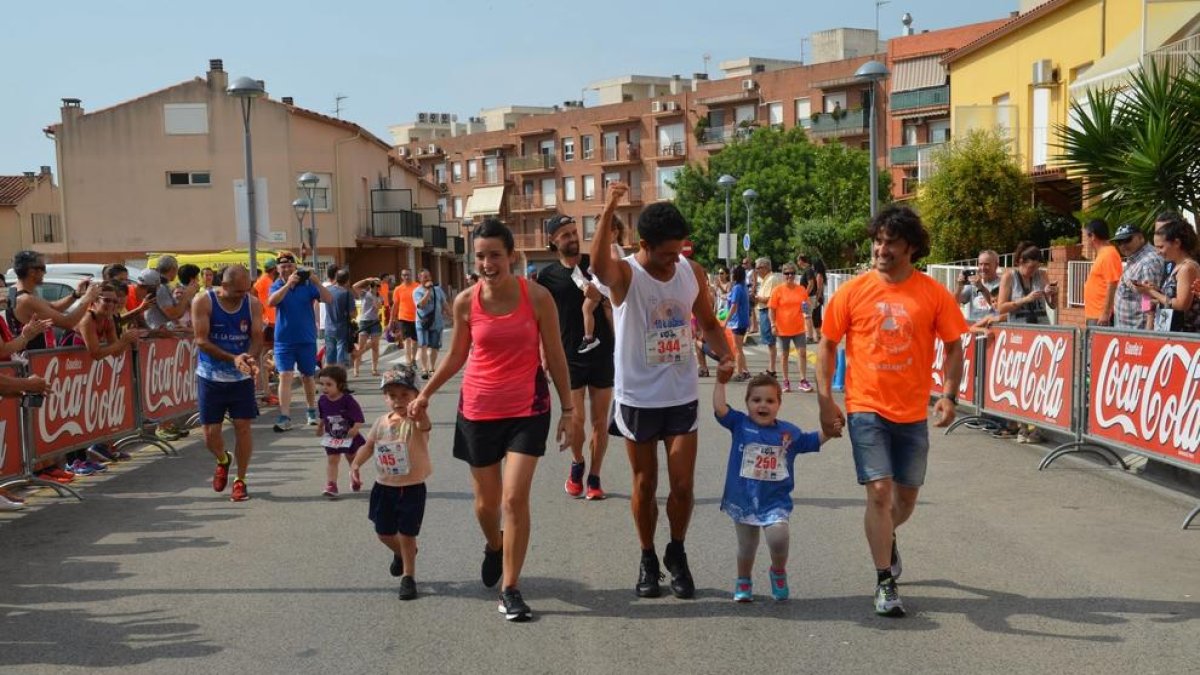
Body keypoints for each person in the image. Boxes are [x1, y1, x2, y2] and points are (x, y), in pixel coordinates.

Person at [408, 218, 576, 622]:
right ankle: (494, 545)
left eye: (495, 255)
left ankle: (511, 587)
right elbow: (456, 356)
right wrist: (425, 393)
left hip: (528, 410)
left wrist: (570, 410)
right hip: (478, 411)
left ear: (511, 257)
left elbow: (555, 354)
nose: (487, 263)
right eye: (480, 256)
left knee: (513, 498)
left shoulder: (536, 297)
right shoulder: (466, 302)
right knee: (486, 506)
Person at [816, 205, 967, 618]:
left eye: (891, 243)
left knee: (906, 500)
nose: (881, 249)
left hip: (912, 411)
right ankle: (885, 580)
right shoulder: (853, 291)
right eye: (878, 241)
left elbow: (955, 346)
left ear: (912, 247)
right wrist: (825, 398)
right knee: (879, 493)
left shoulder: (932, 293)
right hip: (865, 405)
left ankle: (886, 537)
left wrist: (949, 394)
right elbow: (827, 346)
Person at [590, 182, 733, 600]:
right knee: (644, 483)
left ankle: (677, 550)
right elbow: (599, 266)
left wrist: (725, 356)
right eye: (667, 253)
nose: (675, 261)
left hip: (680, 392)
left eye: (680, 251)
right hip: (637, 396)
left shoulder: (692, 272)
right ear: (644, 245)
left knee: (683, 485)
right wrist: (608, 208)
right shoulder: (625, 276)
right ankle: (648, 555)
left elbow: (707, 322)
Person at [715, 371, 827, 602]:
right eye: (756, 400)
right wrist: (720, 380)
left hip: (775, 501)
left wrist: (830, 431)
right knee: (747, 546)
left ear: (779, 404)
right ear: (746, 403)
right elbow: (720, 408)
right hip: (744, 499)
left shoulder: (788, 433)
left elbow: (810, 441)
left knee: (778, 538)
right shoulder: (739, 424)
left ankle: (778, 571)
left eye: (769, 400)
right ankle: (743, 580)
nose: (762, 405)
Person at [538, 213, 617, 500]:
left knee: (599, 421)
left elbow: (616, 302)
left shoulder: (595, 266)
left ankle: (594, 476)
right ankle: (578, 462)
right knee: (576, 420)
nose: (572, 238)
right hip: (567, 357)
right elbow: (541, 320)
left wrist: (602, 294)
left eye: (574, 232)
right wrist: (543, 353)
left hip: (602, 354)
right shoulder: (547, 277)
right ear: (553, 240)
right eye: (565, 234)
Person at [350, 365, 432, 601]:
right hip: (384, 486)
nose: (398, 401)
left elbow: (424, 426)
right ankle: (402, 553)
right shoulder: (381, 422)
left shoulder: (416, 421)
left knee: (407, 533)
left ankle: (409, 577)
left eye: (405, 395)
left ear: (416, 396)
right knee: (384, 532)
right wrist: (356, 465)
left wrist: (421, 411)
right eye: (392, 396)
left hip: (412, 486)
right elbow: (369, 446)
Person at [192, 265, 264, 503]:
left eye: (246, 290)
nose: (243, 295)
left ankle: (240, 480)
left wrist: (250, 358)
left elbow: (256, 338)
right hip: (211, 376)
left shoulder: (252, 303)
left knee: (243, 427)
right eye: (238, 291)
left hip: (240, 379)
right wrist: (233, 358)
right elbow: (201, 341)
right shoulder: (204, 301)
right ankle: (223, 459)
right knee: (210, 436)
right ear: (224, 286)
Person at [995, 243, 1058, 443]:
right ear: (1020, 262)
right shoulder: (1009, 276)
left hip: (1040, 331)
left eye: (1036, 268)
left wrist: (1051, 293)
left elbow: (1053, 305)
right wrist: (1025, 299)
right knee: (1021, 381)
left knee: (1040, 380)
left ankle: (1038, 427)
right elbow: (1001, 308)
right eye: (1030, 268)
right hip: (1019, 333)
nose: (1033, 272)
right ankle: (1022, 426)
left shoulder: (1041, 275)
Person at [269, 252, 333, 432]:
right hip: (283, 341)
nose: (287, 269)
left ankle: (312, 411)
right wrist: (288, 285)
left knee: (307, 376)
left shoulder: (307, 285)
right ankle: (285, 416)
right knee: (285, 375)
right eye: (283, 266)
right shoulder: (277, 285)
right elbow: (272, 302)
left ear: (295, 267)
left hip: (306, 339)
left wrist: (317, 282)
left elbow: (329, 299)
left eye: (290, 266)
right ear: (278, 269)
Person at [8, 250, 100, 350]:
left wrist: (75, 295)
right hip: (32, 359)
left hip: (35, 358)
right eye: (43, 268)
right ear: (32, 272)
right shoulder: (26, 300)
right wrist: (87, 299)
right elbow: (68, 323)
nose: (45, 272)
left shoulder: (15, 290)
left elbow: (53, 307)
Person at [1135, 219, 1200, 333]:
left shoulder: (1187, 268)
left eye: (1161, 247)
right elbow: (1174, 295)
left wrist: (1151, 292)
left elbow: (1181, 304)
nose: (1158, 252)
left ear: (1177, 243)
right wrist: (1156, 291)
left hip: (1186, 335)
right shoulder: (1178, 266)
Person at [575, 216, 625, 354]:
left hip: (601, 286)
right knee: (609, 314)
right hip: (605, 287)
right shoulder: (613, 247)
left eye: (603, 232)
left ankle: (589, 338)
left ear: (614, 233)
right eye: (597, 232)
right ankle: (618, 339)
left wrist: (598, 267)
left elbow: (615, 262)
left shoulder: (611, 247)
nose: (599, 236)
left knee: (586, 309)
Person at [315, 364, 366, 498]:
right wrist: (320, 427)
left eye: (329, 384)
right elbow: (322, 416)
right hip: (332, 435)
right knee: (332, 459)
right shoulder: (322, 400)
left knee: (351, 459)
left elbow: (359, 418)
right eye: (322, 384)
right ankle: (331, 484)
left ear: (340, 385)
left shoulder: (348, 400)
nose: (324, 387)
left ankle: (355, 476)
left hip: (349, 435)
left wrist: (355, 429)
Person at [768, 263, 813, 393]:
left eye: (792, 273)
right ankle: (786, 381)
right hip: (782, 329)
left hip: (798, 328)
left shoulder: (801, 290)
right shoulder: (778, 290)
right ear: (783, 275)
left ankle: (803, 380)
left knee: (802, 354)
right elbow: (772, 309)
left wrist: (807, 316)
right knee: (784, 356)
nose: (790, 276)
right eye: (787, 273)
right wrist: (773, 324)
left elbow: (806, 307)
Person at [1111, 223, 1164, 331]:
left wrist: (1146, 333)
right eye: (1119, 242)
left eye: (1127, 240)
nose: (1123, 245)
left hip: (1137, 331)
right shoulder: (1136, 257)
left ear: (1140, 237)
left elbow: (1148, 297)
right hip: (1128, 329)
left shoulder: (1147, 262)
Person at [1082, 220, 1121, 327]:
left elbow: (1112, 284)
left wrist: (1105, 313)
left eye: (1087, 236)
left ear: (1093, 236)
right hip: (1095, 314)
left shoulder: (1109, 254)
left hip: (1100, 316)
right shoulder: (1104, 253)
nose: (1086, 241)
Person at [146, 255, 199, 332]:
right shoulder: (161, 287)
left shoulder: (163, 286)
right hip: (158, 333)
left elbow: (178, 314)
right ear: (173, 269)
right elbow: (173, 314)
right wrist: (187, 295)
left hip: (162, 331)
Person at [413, 269, 449, 379]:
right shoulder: (417, 291)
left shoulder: (438, 290)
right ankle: (424, 369)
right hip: (422, 323)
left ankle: (432, 368)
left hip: (437, 322)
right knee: (423, 345)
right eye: (424, 277)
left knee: (434, 346)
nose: (427, 278)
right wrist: (428, 291)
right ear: (419, 279)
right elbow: (421, 305)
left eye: (428, 276)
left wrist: (453, 316)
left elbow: (444, 304)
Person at [254, 258, 280, 403]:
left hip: (271, 323)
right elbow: (256, 298)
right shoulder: (265, 281)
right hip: (269, 324)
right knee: (265, 359)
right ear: (274, 269)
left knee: (266, 358)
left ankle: (266, 391)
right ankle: (265, 392)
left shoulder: (265, 281)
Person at [752, 258, 783, 377]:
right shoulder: (766, 279)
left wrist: (756, 298)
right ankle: (771, 368)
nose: (756, 270)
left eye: (758, 268)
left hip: (767, 311)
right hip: (764, 310)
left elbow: (770, 299)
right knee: (770, 343)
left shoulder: (771, 279)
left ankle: (772, 369)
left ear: (765, 267)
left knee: (771, 342)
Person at [352, 279, 385, 377]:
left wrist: (376, 299)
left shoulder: (380, 297)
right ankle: (356, 369)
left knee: (375, 346)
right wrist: (367, 280)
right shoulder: (364, 294)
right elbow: (354, 286)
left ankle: (374, 369)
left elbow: (378, 307)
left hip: (375, 322)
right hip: (364, 322)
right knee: (361, 345)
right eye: (375, 285)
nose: (377, 287)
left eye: (378, 285)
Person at [389, 269, 420, 366]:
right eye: (404, 275)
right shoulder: (398, 289)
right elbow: (395, 305)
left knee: (415, 340)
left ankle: (413, 358)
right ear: (401, 277)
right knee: (406, 340)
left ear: (412, 275)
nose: (406, 277)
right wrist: (391, 319)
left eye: (408, 275)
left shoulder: (417, 287)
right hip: (403, 317)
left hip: (416, 318)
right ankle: (408, 360)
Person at [725, 265, 751, 380]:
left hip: (737, 321)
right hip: (743, 320)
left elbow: (734, 306)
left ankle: (739, 372)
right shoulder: (743, 286)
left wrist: (726, 320)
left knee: (737, 348)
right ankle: (745, 370)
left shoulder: (737, 288)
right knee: (739, 347)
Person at [797, 255, 818, 344]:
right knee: (807, 316)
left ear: (801, 261)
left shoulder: (808, 270)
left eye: (798, 261)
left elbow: (811, 284)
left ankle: (810, 337)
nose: (797, 263)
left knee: (807, 316)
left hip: (807, 298)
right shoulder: (808, 270)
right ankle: (810, 335)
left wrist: (804, 295)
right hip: (807, 297)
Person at [809, 258, 828, 339]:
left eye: (813, 265)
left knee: (816, 317)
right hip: (819, 298)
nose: (812, 266)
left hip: (818, 298)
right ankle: (818, 335)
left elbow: (819, 289)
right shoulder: (820, 274)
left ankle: (819, 335)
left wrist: (816, 300)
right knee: (816, 316)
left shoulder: (819, 275)